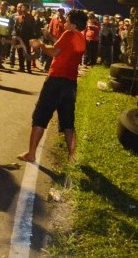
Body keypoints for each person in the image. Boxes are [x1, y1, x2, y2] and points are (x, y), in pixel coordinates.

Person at [17, 9, 87, 163]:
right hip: (70, 83)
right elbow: (64, 48)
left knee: (40, 117)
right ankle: (72, 157)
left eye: (68, 21)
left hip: (56, 81)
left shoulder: (68, 34)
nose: (65, 23)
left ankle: (31, 153)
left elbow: (54, 52)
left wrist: (40, 44)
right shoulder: (81, 38)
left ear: (74, 24)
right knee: (68, 121)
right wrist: (50, 38)